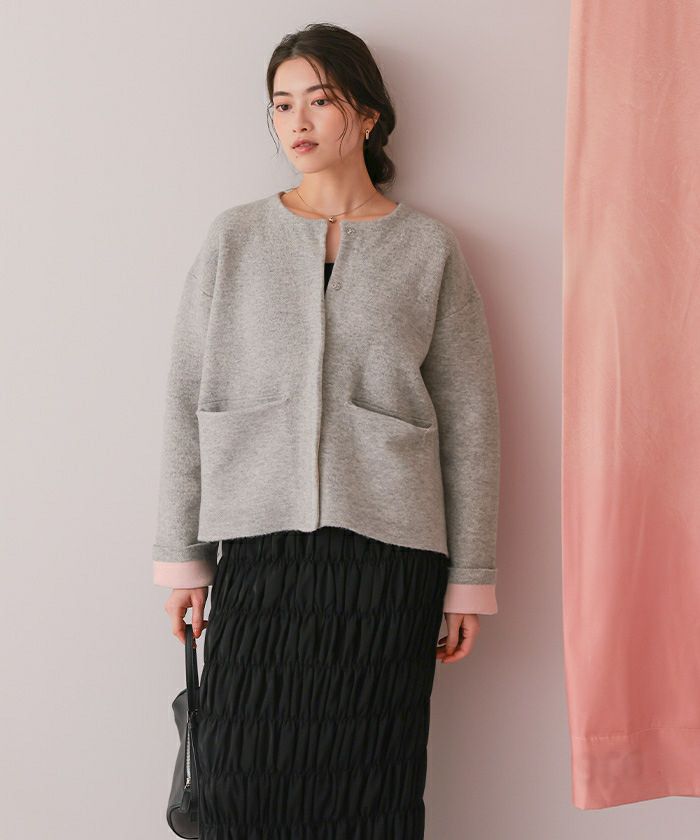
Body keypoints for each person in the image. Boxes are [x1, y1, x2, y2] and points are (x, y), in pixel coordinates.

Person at [153, 22, 500, 840]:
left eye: (320, 99)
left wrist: (470, 578)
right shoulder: (235, 238)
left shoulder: (427, 248)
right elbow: (186, 396)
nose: (297, 121)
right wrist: (183, 559)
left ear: (368, 115)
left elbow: (471, 421)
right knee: (239, 785)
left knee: (368, 792)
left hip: (389, 561)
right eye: (282, 104)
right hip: (259, 550)